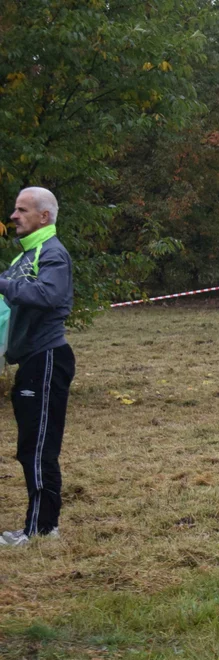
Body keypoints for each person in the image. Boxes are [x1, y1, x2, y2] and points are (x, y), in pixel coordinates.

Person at [0, 187, 75, 548]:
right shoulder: (25, 256)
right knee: (30, 445)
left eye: (21, 209)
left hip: (47, 358)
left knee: (39, 446)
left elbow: (49, 295)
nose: (14, 215)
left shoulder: (52, 254)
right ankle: (37, 526)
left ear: (43, 216)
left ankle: (42, 530)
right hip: (30, 360)